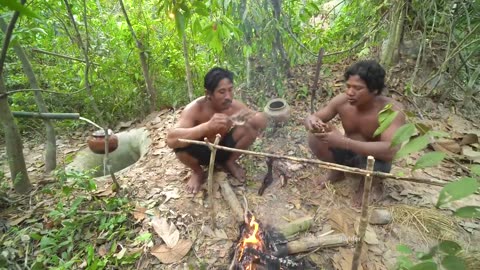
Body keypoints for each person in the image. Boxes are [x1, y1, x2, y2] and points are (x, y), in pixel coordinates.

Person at [304, 60, 405, 206]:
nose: (350, 92)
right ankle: (337, 171)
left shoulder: (392, 111)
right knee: (315, 136)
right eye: (348, 86)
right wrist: (312, 121)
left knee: (380, 164)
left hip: (373, 161)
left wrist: (344, 142)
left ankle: (366, 186)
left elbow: (390, 151)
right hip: (347, 152)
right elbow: (314, 117)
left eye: (358, 88)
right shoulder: (341, 101)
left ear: (374, 90)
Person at [166, 67, 267, 193]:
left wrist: (265, 115)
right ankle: (198, 172)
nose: (228, 96)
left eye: (230, 90)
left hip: (224, 148)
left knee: (250, 128)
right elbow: (171, 139)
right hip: (201, 152)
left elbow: (260, 122)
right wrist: (206, 127)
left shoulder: (233, 105)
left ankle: (229, 162)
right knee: (180, 148)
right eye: (222, 92)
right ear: (208, 94)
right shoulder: (194, 109)